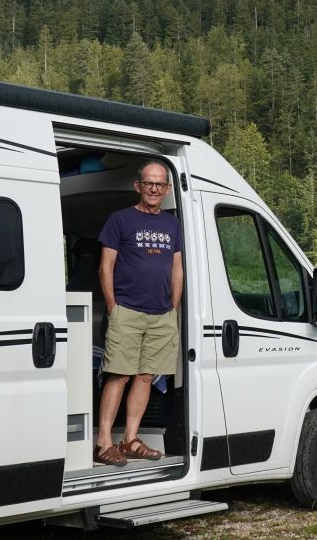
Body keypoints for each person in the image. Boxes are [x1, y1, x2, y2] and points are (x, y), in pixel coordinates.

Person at [93, 159, 184, 466]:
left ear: (167, 189)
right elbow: (106, 265)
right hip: (127, 312)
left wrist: (174, 306)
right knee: (119, 375)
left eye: (160, 184)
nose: (154, 189)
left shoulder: (173, 225)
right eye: (149, 183)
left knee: (145, 377)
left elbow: (177, 268)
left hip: (161, 315)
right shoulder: (120, 220)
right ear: (138, 186)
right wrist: (112, 307)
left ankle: (130, 439)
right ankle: (104, 442)